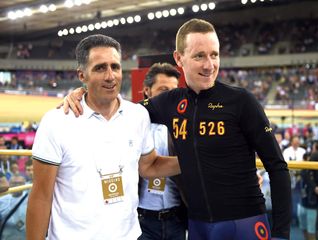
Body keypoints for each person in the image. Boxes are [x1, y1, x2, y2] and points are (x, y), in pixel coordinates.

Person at [62, 19, 291, 239]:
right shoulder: (170, 102)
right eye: (199, 56)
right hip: (197, 226)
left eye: (214, 55)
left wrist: (281, 234)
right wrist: (82, 92)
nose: (209, 65)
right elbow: (122, 108)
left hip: (245, 223)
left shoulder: (242, 101)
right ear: (179, 58)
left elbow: (277, 167)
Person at [26, 34, 179, 240]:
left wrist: (197, 160)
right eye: (100, 68)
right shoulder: (56, 122)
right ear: (82, 75)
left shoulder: (138, 115)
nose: (110, 76)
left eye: (115, 67)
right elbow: (41, 197)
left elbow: (149, 166)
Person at [138, 62, 187, 240]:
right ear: (147, 91)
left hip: (176, 219)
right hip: (141, 221)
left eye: (174, 91)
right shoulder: (131, 123)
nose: (170, 97)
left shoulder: (185, 125)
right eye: (163, 90)